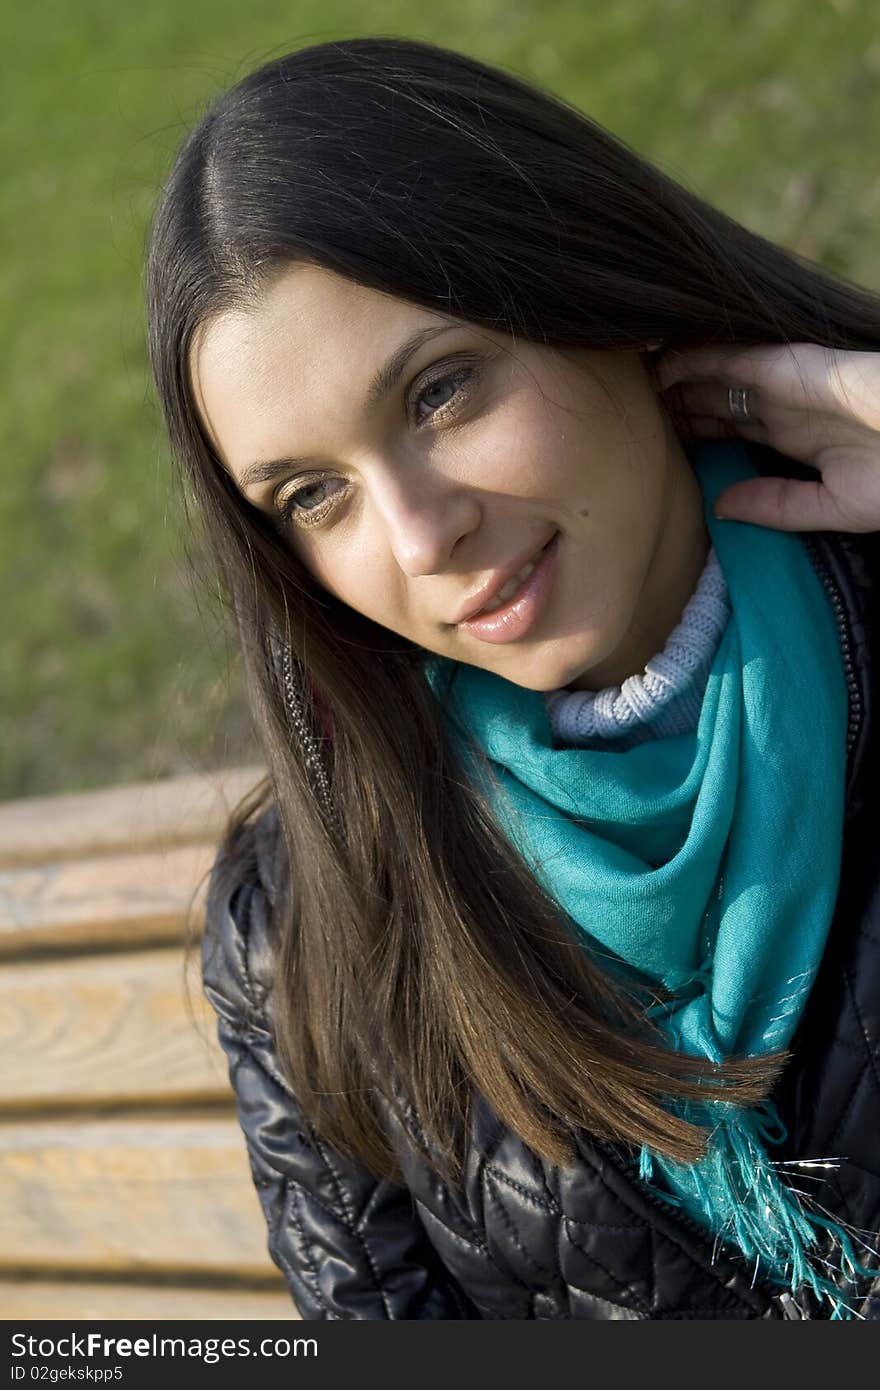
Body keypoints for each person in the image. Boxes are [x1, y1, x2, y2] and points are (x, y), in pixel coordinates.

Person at [145, 36, 880, 1319]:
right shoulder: (304, 929)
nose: (421, 540)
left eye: (439, 392)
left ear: (592, 291)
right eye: (313, 496)